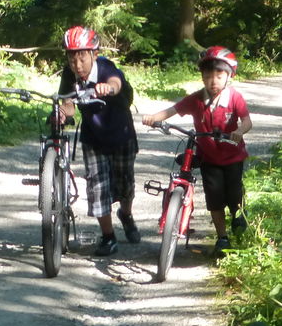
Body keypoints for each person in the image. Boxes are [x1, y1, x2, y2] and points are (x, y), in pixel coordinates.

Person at [143, 45, 253, 256]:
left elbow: (247, 121)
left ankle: (239, 213)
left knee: (234, 194)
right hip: (209, 159)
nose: (213, 80)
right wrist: (154, 118)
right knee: (214, 199)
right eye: (208, 75)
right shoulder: (195, 99)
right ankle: (222, 238)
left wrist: (239, 131)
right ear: (202, 77)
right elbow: (173, 110)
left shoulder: (234, 98)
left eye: (219, 74)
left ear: (229, 75)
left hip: (232, 157)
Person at [57, 26, 140, 256]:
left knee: (125, 185)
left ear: (94, 53)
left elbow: (116, 82)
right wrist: (63, 113)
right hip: (93, 137)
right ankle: (108, 236)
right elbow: (68, 104)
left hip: (120, 133)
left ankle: (126, 214)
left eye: (82, 55)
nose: (77, 63)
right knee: (97, 187)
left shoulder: (105, 67)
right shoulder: (69, 74)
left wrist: (108, 88)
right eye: (71, 56)